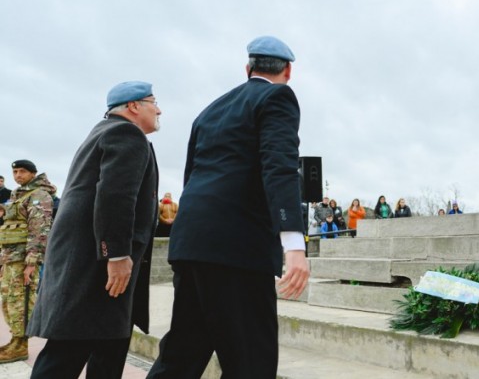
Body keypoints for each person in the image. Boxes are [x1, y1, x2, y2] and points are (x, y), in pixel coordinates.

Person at [147, 36, 309, 378]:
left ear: (248, 68)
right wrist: (293, 243)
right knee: (251, 359)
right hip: (238, 250)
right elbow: (279, 166)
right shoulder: (278, 96)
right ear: (288, 71)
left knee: (181, 355)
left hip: (192, 242)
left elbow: (191, 175)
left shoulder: (210, 110)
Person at [27, 82, 160, 377]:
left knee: (107, 348)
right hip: (97, 269)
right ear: (134, 106)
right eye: (154, 102)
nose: (159, 109)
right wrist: (116, 255)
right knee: (68, 354)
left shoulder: (101, 132)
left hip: (88, 263)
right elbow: (115, 195)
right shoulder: (125, 133)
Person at [0, 159, 56, 364]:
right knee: (8, 300)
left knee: (21, 300)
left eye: (22, 171)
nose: (17, 175)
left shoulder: (39, 195)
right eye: (15, 171)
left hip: (24, 259)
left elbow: (39, 231)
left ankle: (21, 345)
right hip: (11, 257)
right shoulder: (17, 194)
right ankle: (15, 339)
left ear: (33, 173)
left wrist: (31, 262)